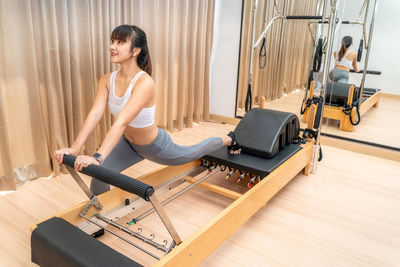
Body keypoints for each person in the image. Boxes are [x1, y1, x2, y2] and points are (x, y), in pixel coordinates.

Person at [54, 25, 239, 195]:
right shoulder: (106, 80)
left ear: (135, 50)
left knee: (192, 153)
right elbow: (95, 113)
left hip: (154, 145)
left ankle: (228, 139)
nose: (112, 46)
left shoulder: (144, 82)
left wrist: (98, 157)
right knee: (99, 179)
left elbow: (122, 121)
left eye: (120, 42)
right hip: (128, 144)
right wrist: (75, 148)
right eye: (112, 41)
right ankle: (101, 219)